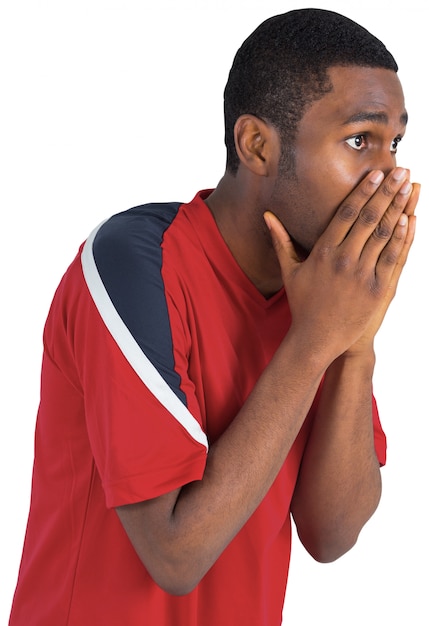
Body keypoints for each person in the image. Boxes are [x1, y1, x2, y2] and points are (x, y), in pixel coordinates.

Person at [9, 7, 419, 626]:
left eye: (396, 145)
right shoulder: (131, 263)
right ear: (256, 145)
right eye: (360, 140)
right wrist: (314, 342)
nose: (390, 176)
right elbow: (174, 554)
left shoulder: (322, 295)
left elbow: (330, 534)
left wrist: (355, 344)